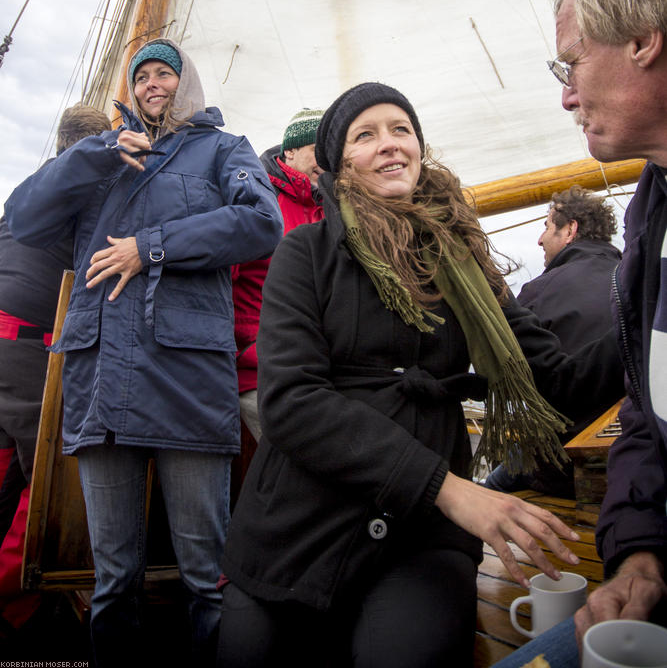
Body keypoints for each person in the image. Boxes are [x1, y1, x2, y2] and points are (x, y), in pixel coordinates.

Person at [217, 81, 623, 668]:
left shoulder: (465, 265)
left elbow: (557, 379)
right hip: (297, 523)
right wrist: (451, 491)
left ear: (419, 148)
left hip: (420, 537)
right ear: (341, 165)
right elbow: (291, 402)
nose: (389, 144)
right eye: (367, 134)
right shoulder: (304, 252)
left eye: (401, 129)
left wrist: (645, 315)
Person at [4, 39, 283, 668]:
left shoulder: (223, 149)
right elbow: (22, 219)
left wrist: (150, 245)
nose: (154, 83)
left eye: (165, 73)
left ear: (186, 84)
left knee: (203, 576)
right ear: (129, 90)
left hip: (187, 380)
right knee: (112, 580)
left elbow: (262, 221)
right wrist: (91, 153)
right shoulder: (100, 155)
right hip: (104, 379)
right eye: (143, 76)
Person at [493, 0, 667, 668]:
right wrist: (637, 553)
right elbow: (645, 409)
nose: (566, 96)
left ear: (642, 40)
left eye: (571, 63)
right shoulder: (649, 219)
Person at [0, 103, 111, 636]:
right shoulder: (78, 185)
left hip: (9, 338)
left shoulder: (33, 185)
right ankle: (12, 599)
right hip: (27, 344)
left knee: (6, 469)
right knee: (43, 474)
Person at [485, 185, 624, 496]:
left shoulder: (536, 292)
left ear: (570, 230)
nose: (540, 239)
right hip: (634, 451)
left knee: (493, 486)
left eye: (547, 226)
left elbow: (504, 377)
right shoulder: (633, 280)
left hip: (563, 466)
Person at [233, 108, 324, 441]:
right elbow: (225, 282)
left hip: (323, 368)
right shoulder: (257, 200)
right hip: (261, 369)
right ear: (289, 151)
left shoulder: (339, 208)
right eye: (317, 149)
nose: (326, 160)